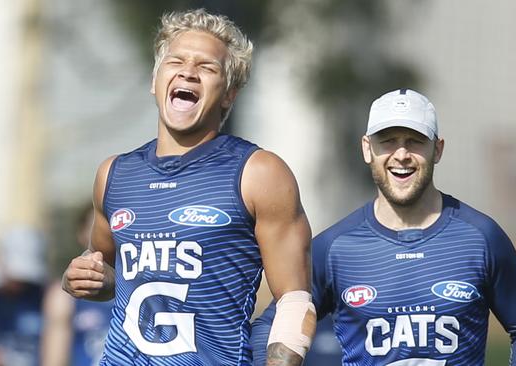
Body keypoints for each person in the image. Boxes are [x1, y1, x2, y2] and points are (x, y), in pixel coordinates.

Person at [61, 8, 315, 366]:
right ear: (155, 80)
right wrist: (83, 279)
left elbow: (294, 299)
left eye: (207, 67)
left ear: (229, 95)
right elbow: (110, 277)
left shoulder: (259, 172)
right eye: (176, 61)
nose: (188, 72)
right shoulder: (113, 173)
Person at [252, 88, 516, 365]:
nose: (401, 155)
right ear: (367, 148)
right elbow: (271, 323)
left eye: (414, 141)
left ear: (437, 149)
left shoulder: (481, 237)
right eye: (388, 141)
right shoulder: (335, 248)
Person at [41, 203, 114, 365]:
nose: (103, 234)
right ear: (81, 234)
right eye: (94, 228)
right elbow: (54, 359)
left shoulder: (138, 285)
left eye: (109, 226)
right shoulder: (63, 296)